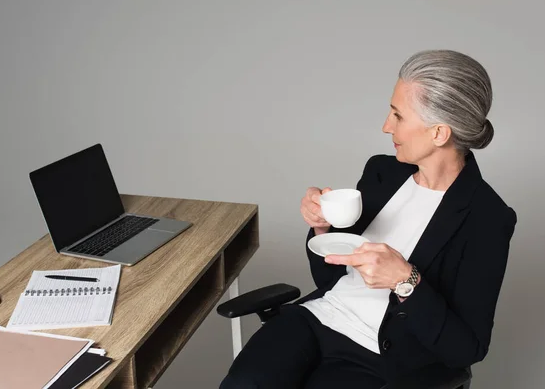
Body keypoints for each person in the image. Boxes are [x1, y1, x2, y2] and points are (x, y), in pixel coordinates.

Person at [220, 49, 517, 388]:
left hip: (381, 356)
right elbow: (329, 278)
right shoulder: (382, 172)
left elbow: (466, 348)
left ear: (439, 133)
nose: (386, 126)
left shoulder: (487, 218)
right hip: (316, 319)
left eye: (398, 116)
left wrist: (407, 280)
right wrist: (322, 226)